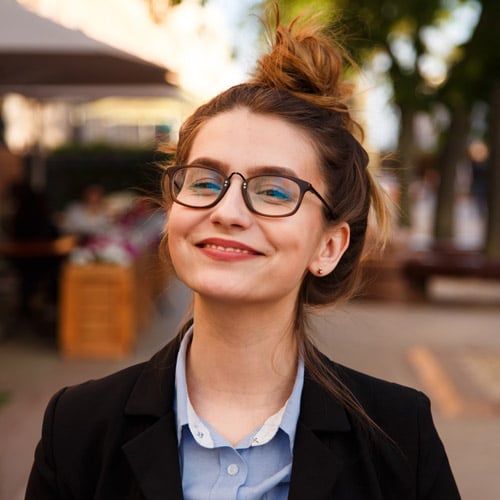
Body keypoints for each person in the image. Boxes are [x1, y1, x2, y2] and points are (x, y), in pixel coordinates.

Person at [26, 7, 460, 499]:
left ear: (329, 245)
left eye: (275, 191)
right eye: (206, 181)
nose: (228, 210)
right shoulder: (78, 427)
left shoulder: (401, 438)